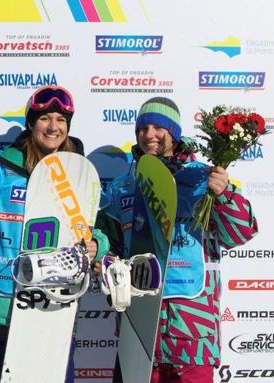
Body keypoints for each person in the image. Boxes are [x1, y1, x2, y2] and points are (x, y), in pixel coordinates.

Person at [0, 77, 109, 383]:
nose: (52, 127)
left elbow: (93, 230)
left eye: (61, 119)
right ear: (31, 124)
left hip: (54, 303)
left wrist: (96, 245)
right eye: (44, 118)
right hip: (2, 301)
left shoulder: (77, 173)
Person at [98, 97, 258, 383]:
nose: (150, 135)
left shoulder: (203, 179)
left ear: (174, 132)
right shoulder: (124, 185)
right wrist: (105, 262)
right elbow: (109, 246)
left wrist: (223, 196)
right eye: (143, 128)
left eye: (159, 127)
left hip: (192, 327)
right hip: (139, 327)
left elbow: (239, 233)